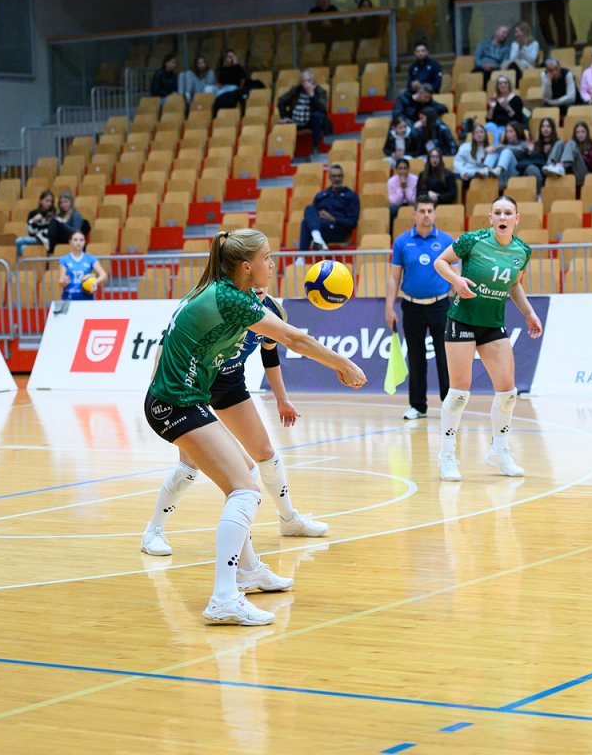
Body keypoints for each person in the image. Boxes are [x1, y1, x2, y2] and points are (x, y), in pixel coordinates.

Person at [144, 229, 366, 625]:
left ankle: (247, 570)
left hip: (186, 399)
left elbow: (276, 345)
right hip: (175, 403)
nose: (273, 264)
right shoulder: (229, 298)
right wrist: (343, 364)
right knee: (245, 490)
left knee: (246, 472)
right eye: (267, 257)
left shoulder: (227, 292)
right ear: (246, 267)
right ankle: (223, 598)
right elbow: (294, 339)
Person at [142, 289, 328, 559]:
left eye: (267, 275)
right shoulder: (219, 301)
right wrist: (158, 382)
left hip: (229, 386)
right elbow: (170, 338)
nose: (260, 285)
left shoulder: (271, 312)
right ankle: (153, 532)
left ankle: (289, 520)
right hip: (193, 386)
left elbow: (270, 354)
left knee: (265, 453)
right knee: (190, 465)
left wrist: (282, 399)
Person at [433, 196, 544, 481]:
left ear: (516, 219)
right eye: (498, 213)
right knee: (459, 393)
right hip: (462, 320)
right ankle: (447, 456)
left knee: (507, 393)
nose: (502, 217)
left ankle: (499, 451)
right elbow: (440, 262)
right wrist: (456, 280)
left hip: (493, 324)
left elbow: (515, 285)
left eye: (508, 213)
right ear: (491, 218)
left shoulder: (522, 250)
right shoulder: (472, 240)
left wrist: (529, 313)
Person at [386, 196, 455, 421]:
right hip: (412, 306)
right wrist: (389, 307)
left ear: (435, 214)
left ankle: (449, 405)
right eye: (422, 211)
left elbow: (456, 275)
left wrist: (459, 302)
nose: (426, 215)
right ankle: (418, 406)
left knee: (445, 357)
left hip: (441, 305)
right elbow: (394, 277)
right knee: (416, 357)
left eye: (429, 211)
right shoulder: (402, 242)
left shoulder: (446, 241)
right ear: (414, 214)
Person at [298, 164, 359, 251]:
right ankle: (318, 239)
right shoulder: (321, 195)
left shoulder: (351, 196)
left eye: (339, 176)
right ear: (329, 177)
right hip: (321, 227)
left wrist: (333, 219)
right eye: (334, 176)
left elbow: (353, 223)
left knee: (305, 224)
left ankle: (304, 253)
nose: (337, 179)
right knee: (309, 209)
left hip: (338, 230)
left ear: (343, 177)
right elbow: (312, 215)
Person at [277, 70, 330, 156]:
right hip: (294, 121)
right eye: (303, 81)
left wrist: (312, 95)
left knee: (317, 116)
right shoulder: (295, 90)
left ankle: (315, 145)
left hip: (310, 122)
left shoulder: (320, 91)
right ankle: (285, 151)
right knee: (280, 125)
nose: (306, 83)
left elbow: (322, 109)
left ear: (313, 81)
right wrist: (284, 117)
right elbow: (281, 101)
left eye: (308, 80)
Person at [455, 124, 518, 190]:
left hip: (481, 175)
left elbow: (490, 169)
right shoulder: (465, 147)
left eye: (481, 132)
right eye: (476, 133)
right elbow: (458, 161)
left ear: (485, 134)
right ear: (473, 136)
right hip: (466, 173)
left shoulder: (490, 150)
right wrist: (463, 172)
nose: (479, 134)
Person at [58, 230, 106, 301]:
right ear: (70, 242)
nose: (78, 242)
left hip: (87, 297)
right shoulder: (64, 260)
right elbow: (60, 282)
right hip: (69, 297)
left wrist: (95, 282)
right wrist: (64, 282)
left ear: (84, 242)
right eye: (75, 240)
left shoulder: (91, 258)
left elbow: (104, 275)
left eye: (81, 240)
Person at [484, 74, 526, 140]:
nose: (503, 85)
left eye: (505, 83)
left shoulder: (516, 99)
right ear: (497, 86)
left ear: (509, 84)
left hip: (508, 126)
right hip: (494, 125)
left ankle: (495, 146)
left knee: (499, 131)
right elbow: (488, 119)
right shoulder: (494, 100)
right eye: (500, 83)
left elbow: (518, 118)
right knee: (488, 126)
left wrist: (507, 107)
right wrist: (492, 108)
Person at [474, 25, 516, 89]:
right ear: (496, 32)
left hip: (495, 70)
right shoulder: (483, 43)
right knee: (479, 75)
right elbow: (477, 59)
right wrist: (483, 65)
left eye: (507, 34)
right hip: (480, 68)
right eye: (503, 32)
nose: (505, 35)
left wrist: (494, 67)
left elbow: (505, 63)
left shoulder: (506, 48)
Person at [15, 190, 54, 257]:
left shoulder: (53, 213)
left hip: (46, 239)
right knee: (21, 246)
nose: (49, 203)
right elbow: (29, 231)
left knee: (19, 241)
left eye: (51, 201)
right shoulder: (33, 213)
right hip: (35, 238)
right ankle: (19, 261)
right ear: (41, 201)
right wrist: (33, 221)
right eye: (47, 201)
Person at [388, 158, 419, 229]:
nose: (403, 171)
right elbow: (394, 201)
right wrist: (401, 188)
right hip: (398, 205)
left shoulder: (415, 180)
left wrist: (407, 188)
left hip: (411, 204)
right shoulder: (391, 182)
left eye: (405, 168)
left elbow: (414, 200)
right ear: (397, 170)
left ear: (408, 169)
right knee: (392, 208)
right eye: (400, 169)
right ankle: (392, 231)